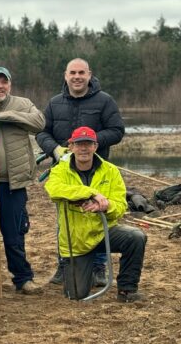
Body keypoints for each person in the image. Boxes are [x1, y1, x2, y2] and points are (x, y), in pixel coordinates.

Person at [36, 58, 125, 286]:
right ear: (66, 76)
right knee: (64, 220)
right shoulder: (55, 103)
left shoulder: (105, 101)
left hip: (97, 170)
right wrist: (56, 149)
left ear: (89, 75)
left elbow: (116, 130)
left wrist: (87, 143)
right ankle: (64, 265)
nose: (77, 77)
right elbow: (41, 132)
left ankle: (98, 268)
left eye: (81, 73)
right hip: (66, 171)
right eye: (72, 73)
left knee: (97, 217)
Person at [44, 126, 145, 303]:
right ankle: (86, 272)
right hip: (75, 242)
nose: (83, 148)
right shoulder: (60, 169)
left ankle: (127, 291)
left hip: (102, 233)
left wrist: (106, 206)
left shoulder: (111, 170)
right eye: (79, 144)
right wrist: (90, 193)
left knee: (136, 237)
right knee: (75, 296)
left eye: (88, 144)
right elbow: (53, 190)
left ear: (95, 147)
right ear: (71, 146)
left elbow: (121, 205)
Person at [0, 66, 44, 294]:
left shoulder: (23, 105)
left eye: (4, 82)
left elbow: (39, 123)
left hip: (13, 183)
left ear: (10, 85)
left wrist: (5, 117)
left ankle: (22, 279)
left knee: (14, 235)